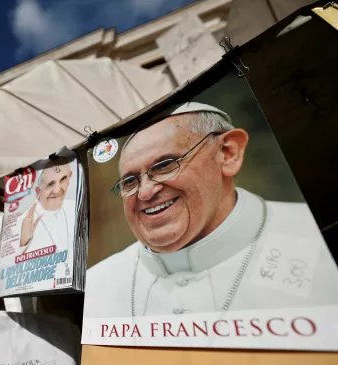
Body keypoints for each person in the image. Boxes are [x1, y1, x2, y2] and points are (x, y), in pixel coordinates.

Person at [84, 102, 338, 318]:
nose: (145, 193)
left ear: (228, 153)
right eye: (129, 181)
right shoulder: (98, 283)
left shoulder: (314, 235)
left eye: (165, 165)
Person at [17, 158, 76, 277]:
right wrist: (24, 243)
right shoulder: (22, 222)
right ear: (38, 191)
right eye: (50, 184)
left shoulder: (75, 208)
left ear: (70, 176)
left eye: (63, 179)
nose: (58, 190)